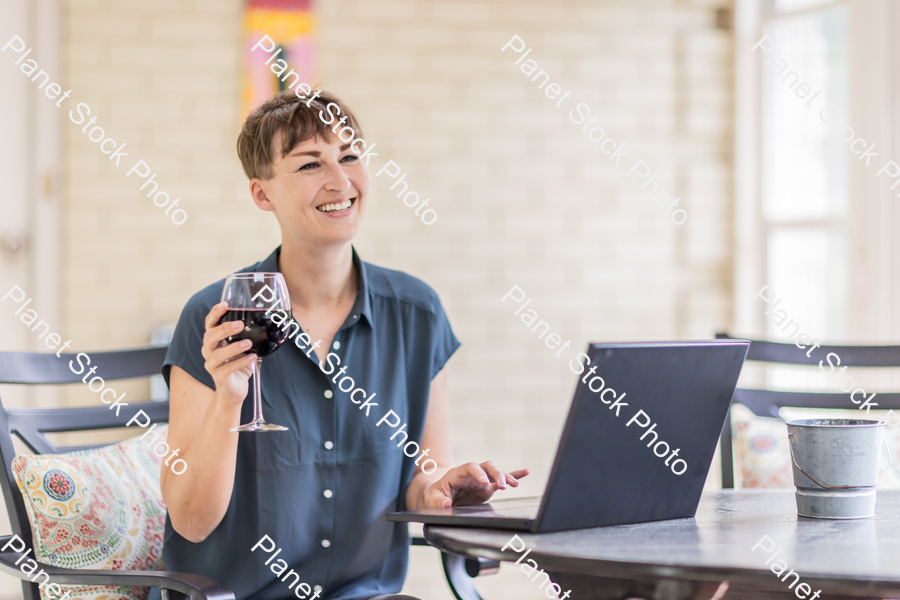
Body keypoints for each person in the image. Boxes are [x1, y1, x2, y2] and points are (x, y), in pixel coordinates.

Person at [158, 89, 528, 600]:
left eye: (350, 156)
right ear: (263, 194)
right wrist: (228, 397)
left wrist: (443, 488)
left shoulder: (417, 313)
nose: (340, 181)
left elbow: (423, 478)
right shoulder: (215, 317)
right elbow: (192, 522)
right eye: (310, 164)